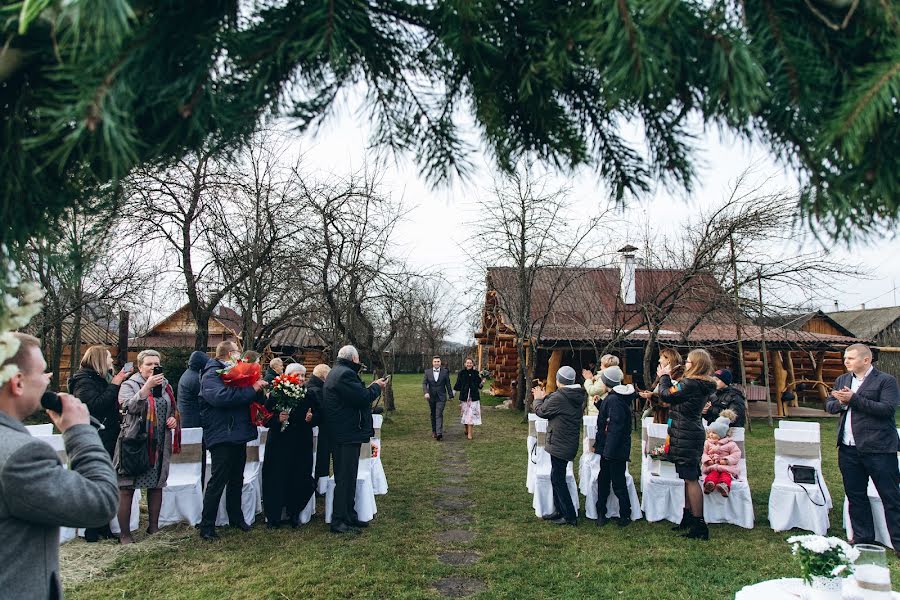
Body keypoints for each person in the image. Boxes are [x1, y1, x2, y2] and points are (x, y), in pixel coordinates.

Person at [0, 333, 118, 599]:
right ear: (17, 383)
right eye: (42, 372)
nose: (49, 378)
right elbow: (99, 504)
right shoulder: (22, 455)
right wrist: (79, 431)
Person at [825, 343, 900, 555]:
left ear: (866, 360)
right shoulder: (843, 380)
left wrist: (853, 399)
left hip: (879, 448)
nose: (845, 361)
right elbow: (829, 405)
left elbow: (887, 410)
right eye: (845, 358)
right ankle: (862, 538)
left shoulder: (886, 381)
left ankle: (898, 542)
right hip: (849, 448)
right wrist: (840, 403)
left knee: (890, 496)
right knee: (856, 496)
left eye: (850, 358)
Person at [198, 340, 268, 540]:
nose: (241, 356)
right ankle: (207, 525)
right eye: (238, 352)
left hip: (238, 431)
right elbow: (220, 397)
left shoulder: (236, 372)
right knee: (218, 479)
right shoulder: (212, 374)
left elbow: (247, 397)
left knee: (237, 477)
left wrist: (258, 391)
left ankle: (236, 516)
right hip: (222, 433)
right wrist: (251, 389)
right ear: (229, 354)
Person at [115, 349, 181, 544]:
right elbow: (128, 407)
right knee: (127, 487)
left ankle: (154, 528)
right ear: (139, 366)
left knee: (156, 484)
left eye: (156, 364)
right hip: (135, 442)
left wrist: (172, 419)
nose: (153, 367)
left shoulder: (166, 385)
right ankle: (125, 534)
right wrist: (146, 388)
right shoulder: (129, 384)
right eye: (149, 364)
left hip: (159, 442)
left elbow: (173, 409)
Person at [69, 345, 133, 542]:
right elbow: (94, 406)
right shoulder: (83, 381)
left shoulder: (97, 379)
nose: (111, 362)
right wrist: (115, 384)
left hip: (107, 435)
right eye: (107, 359)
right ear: (98, 360)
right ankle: (92, 529)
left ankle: (102, 527)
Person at [322, 345, 387, 534]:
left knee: (349, 477)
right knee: (344, 479)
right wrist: (376, 387)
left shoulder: (338, 372)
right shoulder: (345, 375)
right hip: (345, 434)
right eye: (358, 359)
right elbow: (362, 398)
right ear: (353, 359)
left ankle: (349, 514)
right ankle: (339, 520)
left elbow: (352, 398)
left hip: (344, 432)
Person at [658, 348, 717, 541]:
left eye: (689, 362)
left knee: (691, 478)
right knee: (686, 476)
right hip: (688, 432)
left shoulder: (690, 383)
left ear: (697, 364)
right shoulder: (700, 384)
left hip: (686, 434)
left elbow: (666, 395)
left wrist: (664, 377)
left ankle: (699, 523)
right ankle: (688, 516)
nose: (686, 364)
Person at [262, 363, 319, 528]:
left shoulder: (309, 394)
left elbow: (320, 414)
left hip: (301, 443)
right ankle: (273, 516)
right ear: (287, 377)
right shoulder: (276, 394)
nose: (301, 378)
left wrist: (312, 418)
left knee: (299, 477)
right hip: (279, 443)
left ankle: (294, 513)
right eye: (297, 375)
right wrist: (276, 419)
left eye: (303, 375)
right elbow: (264, 417)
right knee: (276, 478)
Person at [532, 366, 584, 526]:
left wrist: (538, 398)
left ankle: (569, 515)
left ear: (559, 380)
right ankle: (559, 510)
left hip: (560, 442)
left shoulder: (561, 397)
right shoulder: (575, 395)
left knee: (558, 479)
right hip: (567, 441)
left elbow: (541, 411)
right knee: (556, 477)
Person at [592, 365, 635, 527]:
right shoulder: (614, 398)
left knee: (615, 482)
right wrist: (600, 405)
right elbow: (611, 418)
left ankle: (624, 514)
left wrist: (608, 452)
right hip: (613, 448)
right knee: (605, 480)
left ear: (607, 383)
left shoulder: (614, 400)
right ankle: (602, 512)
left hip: (613, 450)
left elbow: (615, 427)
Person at [701, 411, 741, 497]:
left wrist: (727, 460)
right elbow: (703, 453)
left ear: (722, 434)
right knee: (713, 474)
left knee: (725, 475)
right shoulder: (707, 443)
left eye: (714, 433)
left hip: (726, 467)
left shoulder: (730, 444)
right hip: (712, 466)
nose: (711, 435)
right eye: (710, 432)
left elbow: (737, 454)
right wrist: (707, 461)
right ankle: (709, 484)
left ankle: (724, 486)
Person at [639, 348, 683, 423]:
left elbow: (670, 397)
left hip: (671, 419)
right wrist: (649, 394)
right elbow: (657, 391)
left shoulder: (680, 375)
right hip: (660, 417)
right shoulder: (661, 375)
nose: (659, 361)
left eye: (661, 358)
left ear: (668, 360)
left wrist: (652, 396)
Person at [308, 364, 332, 490]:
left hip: (318, 428)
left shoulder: (315, 387)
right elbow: (323, 409)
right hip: (318, 429)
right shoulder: (317, 390)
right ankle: (319, 486)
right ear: (324, 376)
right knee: (319, 457)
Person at [423, 356, 453, 441]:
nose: (436, 363)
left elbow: (448, 384)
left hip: (441, 396)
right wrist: (426, 393)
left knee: (438, 413)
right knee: (433, 413)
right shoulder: (427, 372)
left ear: (440, 362)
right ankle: (434, 431)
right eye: (435, 361)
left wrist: (450, 395)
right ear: (432, 363)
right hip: (431, 396)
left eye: (438, 361)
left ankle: (439, 433)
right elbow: (424, 383)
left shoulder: (445, 372)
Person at [176, 350, 208, 428]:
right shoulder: (195, 379)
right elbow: (207, 397)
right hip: (192, 421)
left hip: (186, 418)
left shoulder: (189, 374)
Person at [454, 357, 483, 440]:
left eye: (470, 363)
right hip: (464, 397)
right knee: (465, 414)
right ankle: (466, 428)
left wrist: (482, 382)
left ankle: (470, 433)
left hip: (473, 397)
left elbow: (479, 386)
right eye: (467, 363)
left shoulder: (476, 373)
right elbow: (458, 384)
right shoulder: (461, 373)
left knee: (471, 415)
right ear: (465, 364)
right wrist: (453, 392)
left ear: (473, 364)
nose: (469, 364)